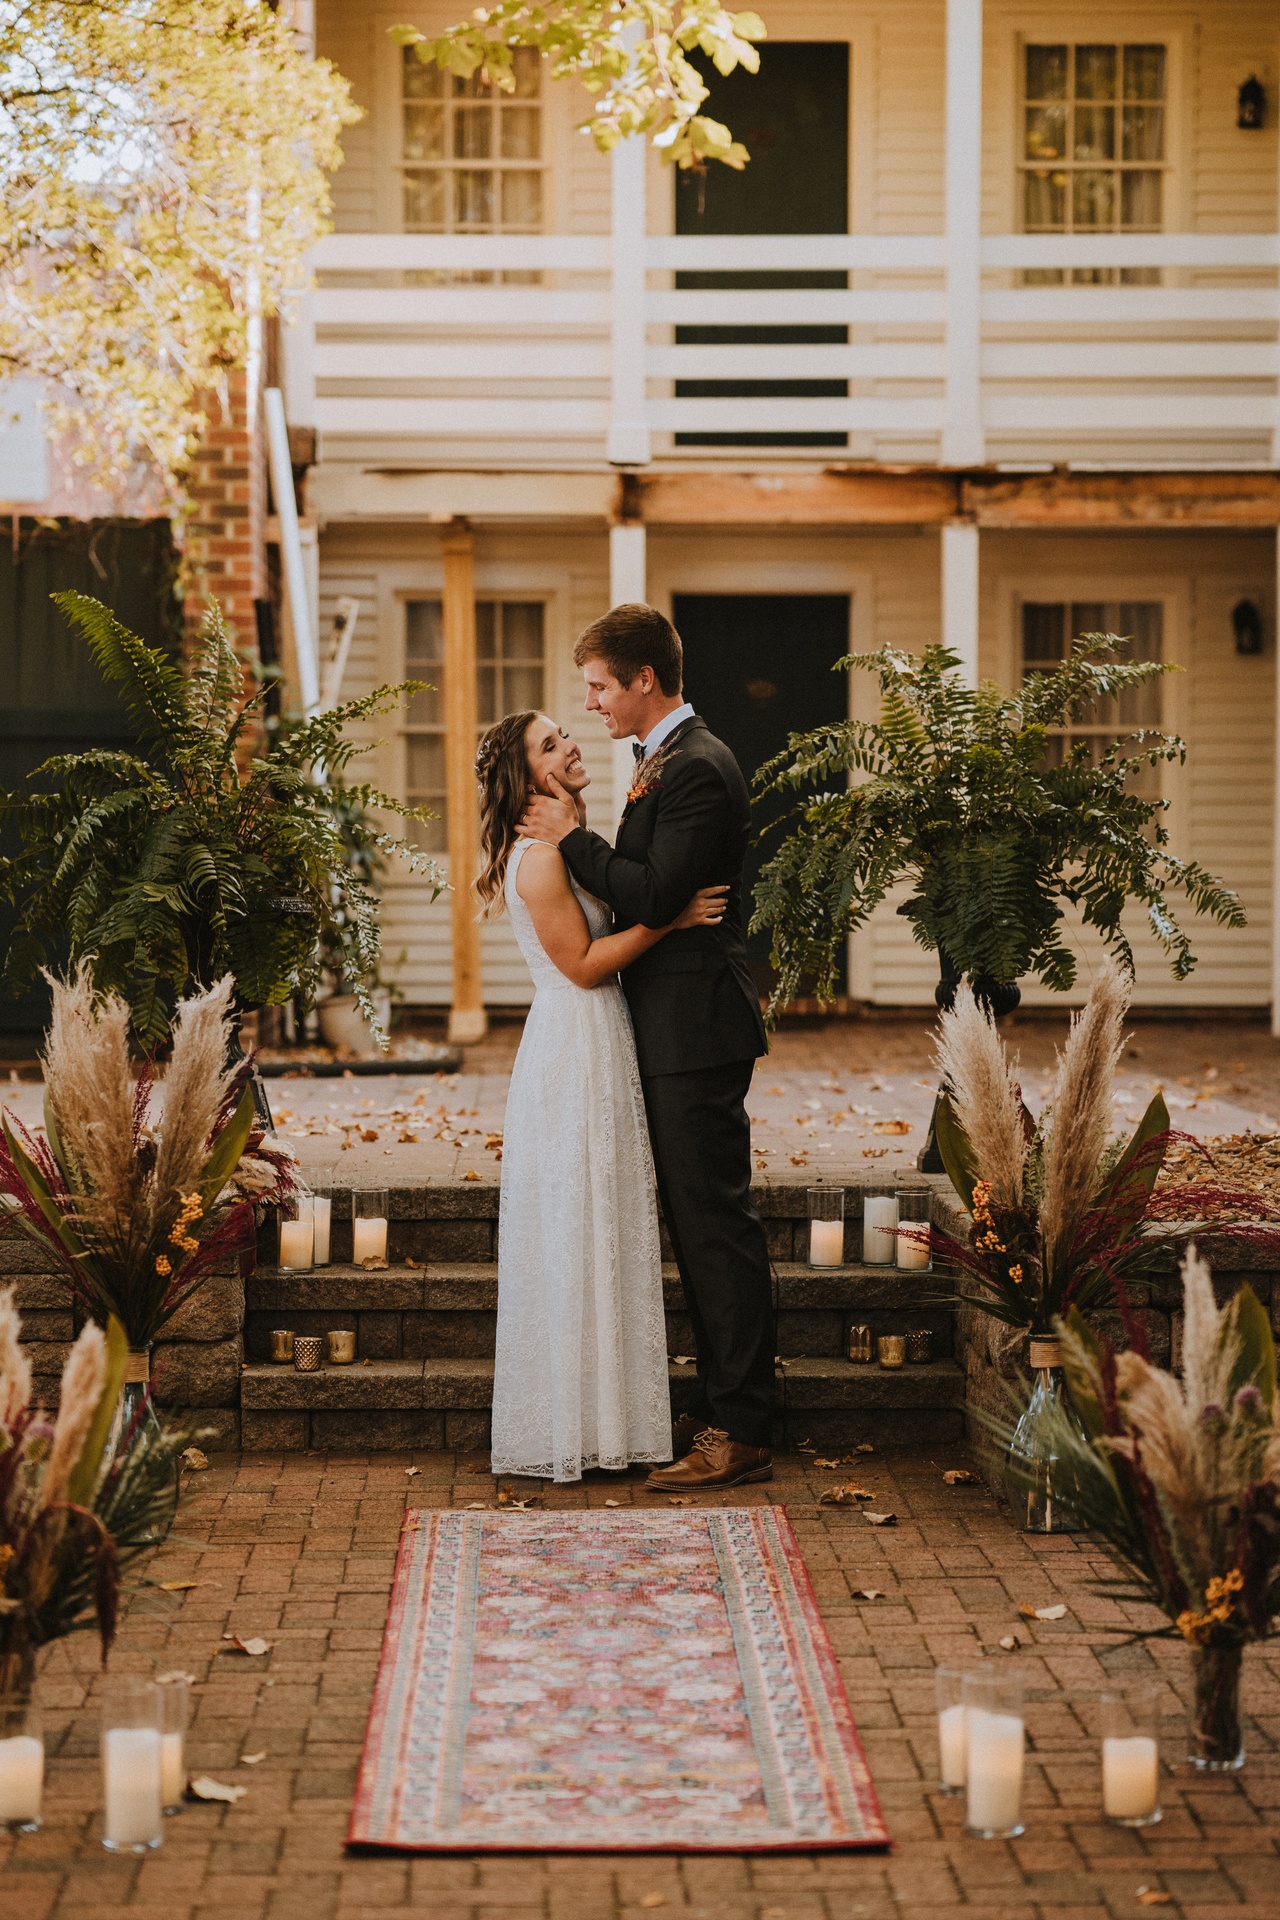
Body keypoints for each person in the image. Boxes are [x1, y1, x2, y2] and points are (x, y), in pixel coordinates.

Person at [519, 604, 775, 1491]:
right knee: (698, 1228)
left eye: (599, 686)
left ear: (644, 680)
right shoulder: (662, 759)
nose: (591, 702)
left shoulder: (696, 764)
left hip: (696, 1027)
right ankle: (718, 1406)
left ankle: (743, 1428)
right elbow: (653, 893)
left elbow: (657, 892)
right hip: (669, 1025)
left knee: (716, 1229)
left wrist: (572, 838)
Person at [475, 709, 728, 1484]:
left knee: (604, 1227)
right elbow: (583, 965)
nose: (571, 744)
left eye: (565, 732)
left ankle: (611, 1418)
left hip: (602, 1039)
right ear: (525, 777)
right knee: (578, 1228)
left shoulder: (569, 845)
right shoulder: (539, 861)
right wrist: (669, 918)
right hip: (573, 1047)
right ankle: (573, 1423)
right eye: (550, 744)